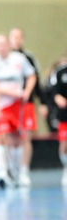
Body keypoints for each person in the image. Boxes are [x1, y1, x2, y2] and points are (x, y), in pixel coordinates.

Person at [0, 34, 36, 188]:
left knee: (21, 138)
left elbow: (31, 76)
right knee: (0, 138)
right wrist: (12, 93)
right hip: (1, 106)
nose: (1, 48)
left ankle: (21, 172)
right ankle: (2, 174)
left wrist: (27, 91)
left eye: (4, 44)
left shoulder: (20, 59)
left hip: (19, 105)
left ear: (8, 45)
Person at [8, 27, 47, 186]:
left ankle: (24, 171)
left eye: (19, 37)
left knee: (26, 137)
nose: (16, 40)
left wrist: (43, 102)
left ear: (22, 39)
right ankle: (13, 171)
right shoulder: (4, 57)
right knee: (12, 139)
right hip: (9, 104)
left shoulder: (29, 58)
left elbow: (36, 79)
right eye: (13, 37)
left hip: (27, 102)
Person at [48, 52, 67, 187]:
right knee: (64, 143)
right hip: (64, 113)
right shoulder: (59, 72)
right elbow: (52, 90)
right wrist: (57, 98)